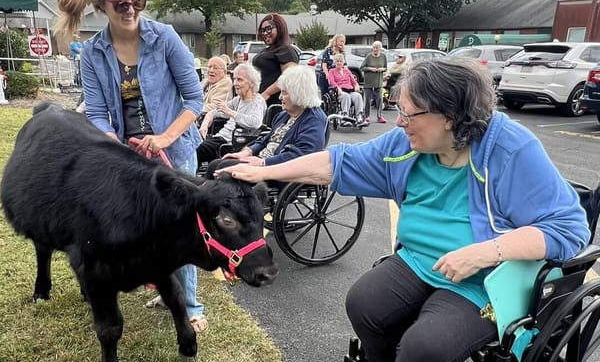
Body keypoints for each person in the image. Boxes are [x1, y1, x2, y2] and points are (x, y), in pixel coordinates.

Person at [215, 58, 589, 361]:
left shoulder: (510, 150)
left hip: (483, 279)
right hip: (420, 260)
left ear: (450, 116)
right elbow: (337, 163)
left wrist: (483, 253)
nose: (400, 122)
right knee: (363, 303)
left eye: (410, 115)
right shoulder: (406, 143)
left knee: (426, 346)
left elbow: (569, 228)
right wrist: (265, 169)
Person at [55, 0, 208, 334]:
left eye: (138, 1)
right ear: (102, 4)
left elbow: (194, 99)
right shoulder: (92, 53)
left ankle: (190, 304)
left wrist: (165, 138)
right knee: (145, 229)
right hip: (130, 156)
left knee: (181, 229)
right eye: (121, 4)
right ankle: (161, 286)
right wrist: (111, 142)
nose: (131, 11)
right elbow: (96, 111)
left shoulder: (165, 37)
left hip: (175, 147)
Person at [205, 65, 327, 180]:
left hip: (278, 171)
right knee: (215, 165)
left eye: (284, 93)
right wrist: (247, 152)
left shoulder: (314, 119)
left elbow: (302, 156)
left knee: (222, 169)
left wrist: (264, 162)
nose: (279, 97)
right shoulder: (283, 115)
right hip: (263, 162)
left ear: (299, 94)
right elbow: (265, 139)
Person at [196, 63, 266, 167]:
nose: (235, 83)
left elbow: (255, 123)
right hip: (219, 138)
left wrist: (231, 113)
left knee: (196, 150)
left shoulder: (257, 101)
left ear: (251, 83)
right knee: (190, 142)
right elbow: (214, 111)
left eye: (240, 80)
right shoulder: (237, 100)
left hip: (233, 143)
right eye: (234, 79)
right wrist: (205, 124)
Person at [252, 13, 299, 107]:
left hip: (275, 104)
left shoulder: (286, 50)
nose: (265, 33)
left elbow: (289, 77)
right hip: (259, 102)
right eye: (262, 30)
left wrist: (267, 93)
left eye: (268, 29)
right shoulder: (267, 50)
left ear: (280, 28)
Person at [327, 53, 367, 127]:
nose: (339, 63)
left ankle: (359, 117)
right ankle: (345, 117)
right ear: (334, 62)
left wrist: (356, 85)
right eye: (337, 61)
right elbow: (331, 82)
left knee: (358, 96)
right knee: (346, 96)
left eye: (340, 61)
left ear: (343, 62)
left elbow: (353, 81)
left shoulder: (347, 71)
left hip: (350, 90)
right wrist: (338, 88)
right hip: (340, 91)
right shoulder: (332, 71)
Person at [360, 41, 387, 124]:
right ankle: (367, 116)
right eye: (374, 48)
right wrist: (370, 69)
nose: (375, 49)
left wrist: (382, 69)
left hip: (378, 81)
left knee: (379, 99)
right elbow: (362, 67)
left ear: (380, 49)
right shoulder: (368, 57)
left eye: (377, 48)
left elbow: (385, 67)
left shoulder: (383, 56)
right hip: (369, 82)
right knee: (367, 100)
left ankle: (379, 116)